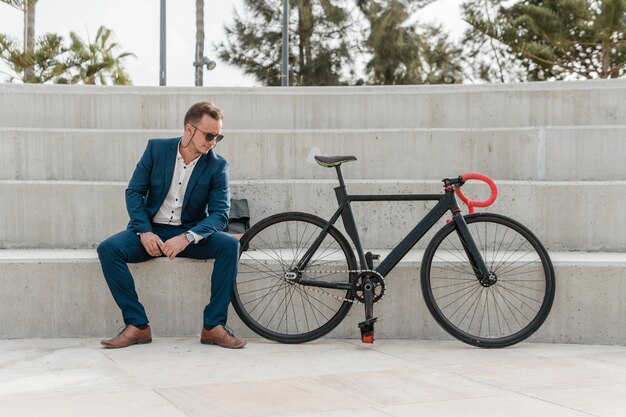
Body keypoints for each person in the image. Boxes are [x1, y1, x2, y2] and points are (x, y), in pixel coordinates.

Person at [97, 101, 246, 349]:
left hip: (189, 234)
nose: (213, 142)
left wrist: (187, 237)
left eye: (218, 137)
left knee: (229, 245)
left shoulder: (218, 165)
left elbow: (221, 215)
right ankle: (137, 326)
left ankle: (213, 327)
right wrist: (144, 231)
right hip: (151, 231)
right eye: (209, 135)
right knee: (108, 249)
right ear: (189, 129)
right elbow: (134, 192)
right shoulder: (157, 149)